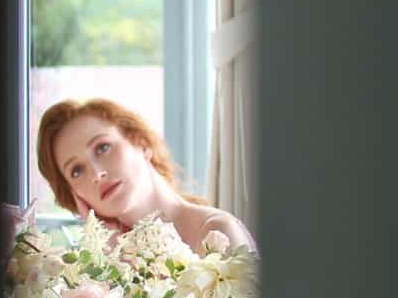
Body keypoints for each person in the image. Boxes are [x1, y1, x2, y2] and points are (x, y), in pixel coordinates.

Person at [34, 98, 254, 254]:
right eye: (77, 170)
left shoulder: (217, 234)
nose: (97, 174)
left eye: (102, 148)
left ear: (141, 142)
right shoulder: (104, 269)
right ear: (74, 195)